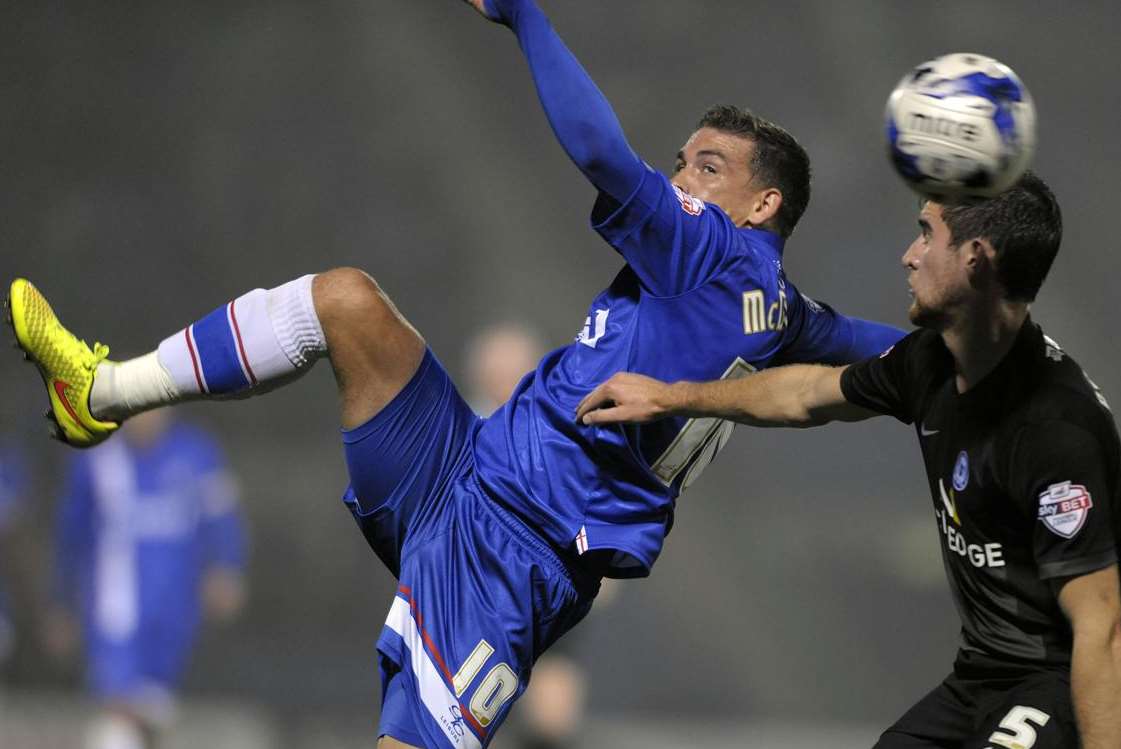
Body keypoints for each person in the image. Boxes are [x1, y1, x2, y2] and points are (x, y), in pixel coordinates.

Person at [6, 0, 904, 746]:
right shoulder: (784, 315)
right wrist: (982, 339)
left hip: (516, 556)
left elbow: (600, 154)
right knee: (347, 302)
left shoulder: (714, 248)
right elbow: (876, 346)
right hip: (463, 465)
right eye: (680, 162)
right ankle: (102, 392)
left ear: (762, 203)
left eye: (705, 167)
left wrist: (525, 17)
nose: (678, 178)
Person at [576, 173, 1121, 748]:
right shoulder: (930, 362)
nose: (909, 256)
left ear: (977, 259)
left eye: (926, 235)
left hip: (1059, 683)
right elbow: (803, 395)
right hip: (982, 676)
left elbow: (1103, 630)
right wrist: (669, 395)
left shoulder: (1055, 430)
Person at [47, 409, 247, 749]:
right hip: (114, 615)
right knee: (118, 721)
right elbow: (70, 537)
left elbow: (223, 517)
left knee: (153, 715)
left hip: (176, 614)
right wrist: (61, 604)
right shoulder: (98, 461)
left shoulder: (197, 454)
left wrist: (227, 567)